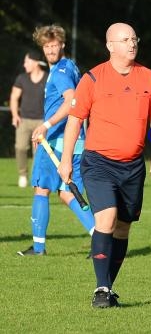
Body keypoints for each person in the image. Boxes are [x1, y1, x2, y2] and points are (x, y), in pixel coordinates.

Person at [58, 22, 151, 308]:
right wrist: (66, 160)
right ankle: (101, 288)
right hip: (98, 163)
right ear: (110, 46)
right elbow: (74, 121)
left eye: (134, 38)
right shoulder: (92, 78)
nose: (132, 43)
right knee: (105, 220)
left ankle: (108, 287)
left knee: (122, 228)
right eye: (125, 39)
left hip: (133, 166)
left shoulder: (149, 77)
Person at [17, 25, 95, 256]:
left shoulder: (61, 71)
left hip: (57, 140)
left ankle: (39, 248)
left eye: (54, 45)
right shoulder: (69, 67)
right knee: (68, 193)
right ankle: (100, 240)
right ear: (43, 48)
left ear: (62, 45)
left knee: (41, 188)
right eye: (47, 46)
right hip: (74, 139)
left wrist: (46, 125)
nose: (51, 50)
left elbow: (71, 101)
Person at [10, 49, 48, 188]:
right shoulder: (22, 78)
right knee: (20, 148)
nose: (24, 64)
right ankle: (22, 175)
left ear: (34, 62)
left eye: (26, 61)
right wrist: (15, 115)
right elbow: (14, 97)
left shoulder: (47, 78)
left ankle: (35, 178)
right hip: (24, 120)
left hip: (41, 122)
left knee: (38, 152)